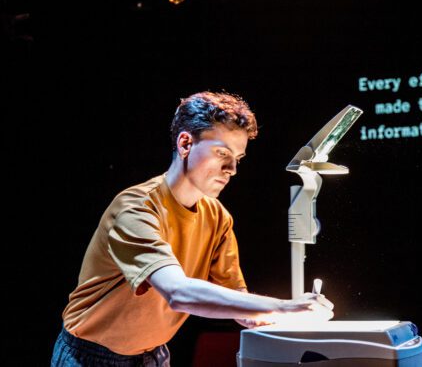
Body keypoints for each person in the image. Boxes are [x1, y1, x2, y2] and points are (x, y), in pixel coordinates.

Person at [51, 91, 334, 366]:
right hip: (89, 356)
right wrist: (283, 305)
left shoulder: (218, 218)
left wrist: (296, 315)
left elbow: (243, 309)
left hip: (154, 355)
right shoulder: (136, 208)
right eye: (222, 152)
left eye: (239, 157)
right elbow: (178, 292)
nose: (232, 168)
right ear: (185, 143)